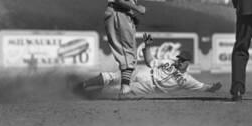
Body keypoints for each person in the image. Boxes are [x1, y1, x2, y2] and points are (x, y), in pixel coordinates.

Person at [82, 33, 222, 98]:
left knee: (116, 91)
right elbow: (151, 62)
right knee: (113, 77)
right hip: (144, 71)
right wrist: (147, 47)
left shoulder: (187, 80)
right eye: (179, 58)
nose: (179, 61)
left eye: (182, 60)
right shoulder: (169, 62)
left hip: (148, 87)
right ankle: (84, 84)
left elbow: (202, 87)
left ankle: (86, 95)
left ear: (188, 63)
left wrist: (212, 88)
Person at [104, 0, 150, 95]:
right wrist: (138, 9)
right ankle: (125, 90)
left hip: (120, 13)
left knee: (126, 55)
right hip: (119, 13)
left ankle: (125, 88)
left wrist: (132, 14)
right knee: (128, 53)